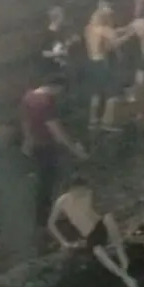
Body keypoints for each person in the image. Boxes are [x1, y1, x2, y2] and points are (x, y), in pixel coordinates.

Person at [47, 176, 138, 287]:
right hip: (89, 235)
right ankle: (125, 278)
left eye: (83, 190)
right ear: (71, 190)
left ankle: (122, 254)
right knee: (98, 251)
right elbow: (51, 223)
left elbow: (92, 213)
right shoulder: (62, 201)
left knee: (108, 218)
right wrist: (63, 242)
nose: (81, 193)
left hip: (98, 226)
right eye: (78, 191)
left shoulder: (88, 194)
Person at [21, 75, 88, 228]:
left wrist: (27, 141)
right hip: (47, 146)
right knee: (53, 181)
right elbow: (55, 129)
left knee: (43, 182)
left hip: (36, 145)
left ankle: (45, 215)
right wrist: (74, 149)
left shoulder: (28, 96)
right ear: (56, 87)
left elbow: (25, 121)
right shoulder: (46, 101)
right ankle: (52, 215)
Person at [84, 0, 135, 131]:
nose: (111, 12)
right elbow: (115, 43)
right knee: (112, 94)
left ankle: (93, 122)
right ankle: (107, 123)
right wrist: (130, 34)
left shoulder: (89, 28)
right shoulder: (103, 29)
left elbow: (113, 32)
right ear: (102, 9)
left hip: (91, 63)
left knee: (96, 93)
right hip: (101, 64)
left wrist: (127, 28)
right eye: (109, 9)